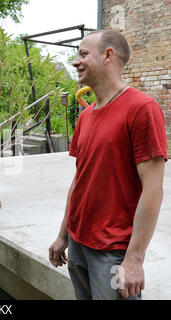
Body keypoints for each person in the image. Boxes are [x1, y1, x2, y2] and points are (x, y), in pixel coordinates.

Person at [48, 30, 168, 300]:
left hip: (112, 251)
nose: (75, 61)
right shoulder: (86, 116)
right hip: (78, 244)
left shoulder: (141, 109)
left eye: (83, 54)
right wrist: (63, 235)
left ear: (108, 56)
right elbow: (80, 180)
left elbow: (153, 189)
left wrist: (134, 259)